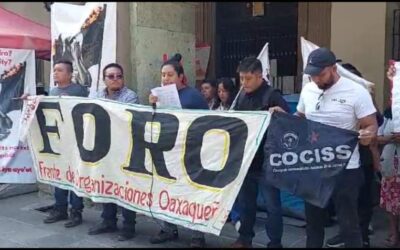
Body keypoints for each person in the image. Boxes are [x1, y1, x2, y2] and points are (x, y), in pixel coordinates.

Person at [293, 48, 377, 248]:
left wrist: (368, 134)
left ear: (333, 68)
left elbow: (370, 124)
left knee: (349, 225)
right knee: (313, 223)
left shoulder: (357, 92)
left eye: (320, 74)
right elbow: (300, 118)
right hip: (313, 166)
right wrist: (283, 120)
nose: (316, 79)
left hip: (345, 169)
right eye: (312, 75)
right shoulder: (308, 89)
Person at [148, 53, 209, 248]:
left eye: (170, 75)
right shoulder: (159, 95)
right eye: (163, 75)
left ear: (181, 77)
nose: (165, 79)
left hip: (191, 152)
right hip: (169, 151)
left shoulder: (194, 96)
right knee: (168, 189)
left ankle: (197, 236)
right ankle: (168, 228)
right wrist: (153, 105)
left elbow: (206, 124)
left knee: (192, 193)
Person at [231, 56, 290, 248]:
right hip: (248, 160)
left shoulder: (272, 95)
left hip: (268, 162)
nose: (243, 83)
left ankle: (275, 243)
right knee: (246, 203)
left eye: (247, 79)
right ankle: (244, 238)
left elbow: (290, 123)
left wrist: (280, 113)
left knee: (273, 206)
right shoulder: (240, 95)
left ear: (259, 76)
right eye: (241, 78)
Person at [325, 63, 383, 248]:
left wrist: (365, 128)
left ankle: (363, 235)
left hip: (362, 154)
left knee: (363, 198)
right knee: (345, 204)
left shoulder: (361, 95)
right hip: (339, 157)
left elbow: (376, 122)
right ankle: (345, 234)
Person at [87, 63, 139, 241]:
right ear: (104, 80)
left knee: (125, 187)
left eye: (119, 76)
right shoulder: (97, 94)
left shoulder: (130, 96)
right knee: (106, 184)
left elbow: (123, 118)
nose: (116, 79)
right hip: (103, 147)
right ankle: (108, 221)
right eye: (111, 76)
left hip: (124, 149)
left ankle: (128, 226)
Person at [43, 59, 89, 227]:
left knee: (75, 175)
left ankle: (76, 211)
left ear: (70, 74)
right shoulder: (53, 91)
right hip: (58, 140)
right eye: (54, 70)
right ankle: (60, 208)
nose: (55, 73)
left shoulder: (80, 90)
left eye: (60, 70)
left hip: (76, 140)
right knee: (59, 175)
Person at [377, 64, 400, 247]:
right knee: (392, 203)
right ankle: (394, 233)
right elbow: (378, 137)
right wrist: (391, 138)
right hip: (391, 163)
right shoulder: (389, 113)